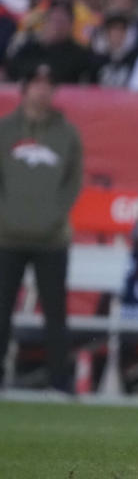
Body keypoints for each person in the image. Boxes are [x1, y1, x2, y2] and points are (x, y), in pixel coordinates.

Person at [0, 64, 82, 392]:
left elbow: (73, 181)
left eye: (49, 84)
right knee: (1, 312)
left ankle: (59, 383)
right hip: (6, 236)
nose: (42, 90)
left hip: (52, 238)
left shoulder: (67, 133)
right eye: (36, 82)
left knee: (55, 313)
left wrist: (55, 214)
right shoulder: (6, 130)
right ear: (24, 88)